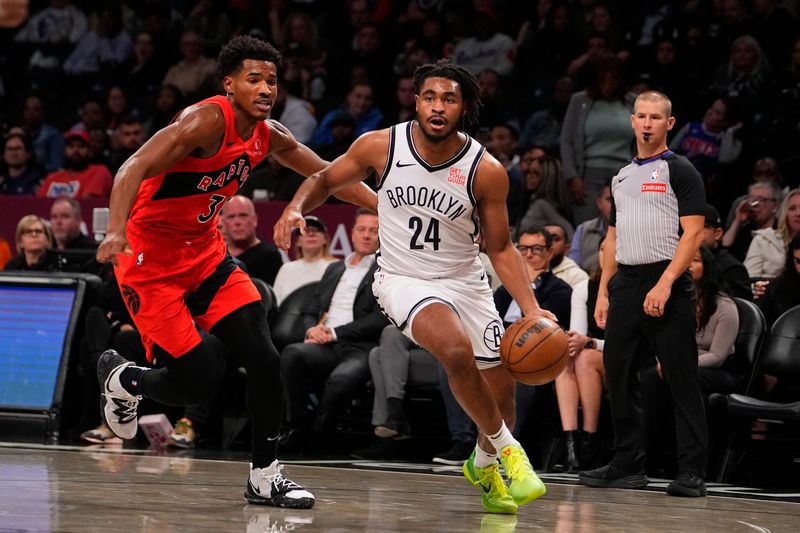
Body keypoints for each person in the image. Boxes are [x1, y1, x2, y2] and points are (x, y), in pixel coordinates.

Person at [94, 35, 375, 509]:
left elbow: (330, 175)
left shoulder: (269, 134)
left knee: (264, 359)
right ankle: (126, 380)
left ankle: (265, 476)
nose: (265, 89)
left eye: (272, 80)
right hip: (150, 260)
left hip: (205, 253)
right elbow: (134, 165)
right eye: (254, 79)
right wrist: (116, 230)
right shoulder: (204, 121)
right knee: (198, 379)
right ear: (229, 84)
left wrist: (387, 207)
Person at [274, 60, 553, 515]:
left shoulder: (486, 170)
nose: (438, 107)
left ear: (465, 108)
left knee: (501, 384)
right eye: (430, 97)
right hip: (404, 279)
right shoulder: (380, 146)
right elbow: (325, 179)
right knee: (455, 350)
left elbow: (501, 248)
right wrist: (294, 207)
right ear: (416, 101)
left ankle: (484, 463)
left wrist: (532, 308)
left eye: (449, 99)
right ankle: (510, 451)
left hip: (465, 279)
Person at [579, 90, 709, 498]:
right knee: (618, 374)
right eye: (641, 116)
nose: (647, 123)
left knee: (680, 376)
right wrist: (604, 291)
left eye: (656, 117)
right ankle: (627, 464)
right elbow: (612, 238)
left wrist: (666, 282)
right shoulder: (620, 177)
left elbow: (693, 234)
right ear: (632, 121)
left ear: (669, 123)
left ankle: (692, 471)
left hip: (666, 279)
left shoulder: (680, 169)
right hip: (626, 283)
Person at [279, 209, 387, 451]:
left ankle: (319, 436)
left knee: (341, 380)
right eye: (361, 229)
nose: (366, 235)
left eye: (374, 231)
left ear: (383, 236)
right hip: (325, 344)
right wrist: (311, 330)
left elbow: (380, 319)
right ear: (352, 233)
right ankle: (298, 427)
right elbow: (312, 310)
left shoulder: (385, 271)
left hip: (361, 347)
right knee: (292, 354)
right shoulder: (335, 269)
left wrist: (336, 332)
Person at [642, 245, 741, 476]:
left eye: (694, 260)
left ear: (708, 268)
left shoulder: (725, 307)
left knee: (683, 377)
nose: (687, 265)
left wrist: (677, 364)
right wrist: (668, 361)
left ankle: (691, 464)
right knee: (650, 378)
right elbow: (660, 340)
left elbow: (717, 357)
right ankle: (650, 457)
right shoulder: (674, 302)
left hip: (719, 371)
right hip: (680, 364)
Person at [272, 214, 338, 305]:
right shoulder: (286, 269)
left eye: (316, 230)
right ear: (298, 242)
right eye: (305, 230)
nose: (311, 234)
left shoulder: (336, 267)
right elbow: (275, 303)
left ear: (325, 239)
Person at [219, 195, 284, 285]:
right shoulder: (218, 256)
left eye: (243, 215)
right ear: (223, 223)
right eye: (231, 217)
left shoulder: (270, 256)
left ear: (254, 220)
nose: (237, 222)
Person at [37, 129, 113, 198]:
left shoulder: (99, 172)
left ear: (89, 151)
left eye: (81, 146)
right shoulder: (52, 178)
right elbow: (39, 204)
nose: (76, 150)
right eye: (71, 146)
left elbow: (87, 203)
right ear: (64, 151)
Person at [744, 188, 800, 280]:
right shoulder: (764, 239)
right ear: (785, 213)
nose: (798, 213)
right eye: (792, 209)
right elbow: (749, 278)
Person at [701, 204, 752, 300]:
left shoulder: (731, 269)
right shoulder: (681, 263)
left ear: (717, 233)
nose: (695, 231)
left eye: (704, 226)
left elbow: (738, 307)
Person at [568, 180, 611, 273]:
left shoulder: (633, 231)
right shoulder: (583, 229)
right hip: (585, 279)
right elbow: (573, 267)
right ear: (599, 202)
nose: (615, 205)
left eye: (618, 200)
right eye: (609, 200)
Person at [545, 223, 589, 289]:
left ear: (567, 248)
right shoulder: (529, 272)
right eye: (545, 239)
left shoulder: (577, 276)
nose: (549, 243)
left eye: (555, 239)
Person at [0, 130, 44, 195]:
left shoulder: (38, 183)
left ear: (29, 153)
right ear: (3, 154)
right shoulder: (1, 182)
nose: (13, 153)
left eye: (18, 148)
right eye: (9, 149)